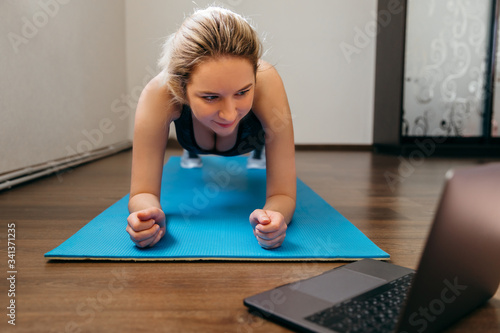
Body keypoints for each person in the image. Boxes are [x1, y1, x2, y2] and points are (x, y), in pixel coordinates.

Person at [126, 6, 296, 250]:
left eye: (242, 92)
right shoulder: (159, 94)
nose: (228, 113)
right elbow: (141, 192)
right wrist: (145, 216)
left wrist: (275, 216)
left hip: (251, 139)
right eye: (210, 97)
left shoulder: (266, 82)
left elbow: (284, 194)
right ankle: (193, 144)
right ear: (181, 88)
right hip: (193, 138)